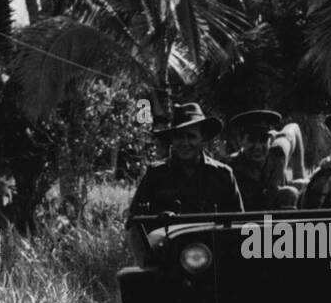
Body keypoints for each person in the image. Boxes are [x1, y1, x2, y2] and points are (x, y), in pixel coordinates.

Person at [126, 103, 243, 261]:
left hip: (215, 255)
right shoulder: (156, 174)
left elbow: (239, 222)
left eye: (191, 136)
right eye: (179, 137)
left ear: (202, 139)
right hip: (169, 257)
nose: (185, 143)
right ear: (172, 140)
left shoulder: (222, 175)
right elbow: (134, 223)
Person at [224, 110, 306, 210]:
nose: (258, 147)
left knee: (290, 193)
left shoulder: (278, 155)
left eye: (263, 139)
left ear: (270, 140)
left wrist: (299, 175)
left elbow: (294, 128)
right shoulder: (229, 167)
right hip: (243, 220)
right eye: (252, 140)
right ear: (241, 141)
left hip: (274, 220)